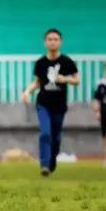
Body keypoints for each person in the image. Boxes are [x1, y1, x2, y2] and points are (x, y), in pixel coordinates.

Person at [22, 29, 79, 176]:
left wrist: (64, 79)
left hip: (59, 105)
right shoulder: (41, 63)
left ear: (60, 42)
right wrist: (27, 92)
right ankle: (44, 165)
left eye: (55, 39)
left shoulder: (67, 62)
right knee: (45, 133)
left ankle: (51, 161)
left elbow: (77, 80)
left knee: (56, 137)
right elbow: (37, 82)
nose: (52, 41)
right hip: (43, 103)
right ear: (45, 42)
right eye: (49, 39)